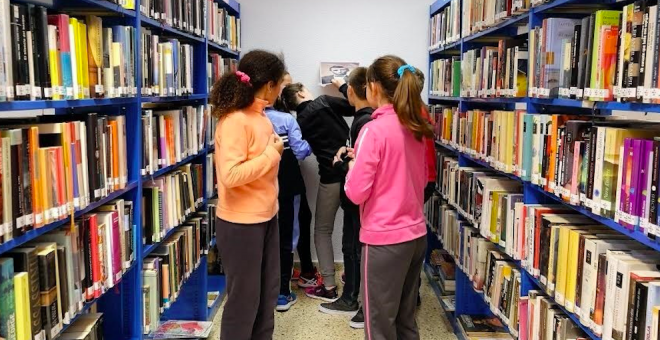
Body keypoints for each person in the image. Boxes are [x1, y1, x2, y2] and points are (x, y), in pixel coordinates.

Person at [344, 56, 433, 340]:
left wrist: (351, 167)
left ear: (373, 87)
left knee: (379, 323)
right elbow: (417, 180)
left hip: (384, 239)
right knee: (406, 319)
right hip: (416, 234)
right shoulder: (415, 126)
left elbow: (355, 192)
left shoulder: (373, 130)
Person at [210, 50, 286, 340]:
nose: (280, 90)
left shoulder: (260, 116)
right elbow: (230, 176)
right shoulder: (234, 121)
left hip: (266, 217)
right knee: (244, 301)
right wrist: (272, 153)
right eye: (279, 84)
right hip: (241, 223)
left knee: (266, 296)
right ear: (268, 84)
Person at [281, 82, 354, 302]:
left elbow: (300, 150)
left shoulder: (298, 122)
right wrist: (343, 87)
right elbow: (354, 106)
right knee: (354, 227)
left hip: (330, 177)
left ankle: (329, 287)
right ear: (301, 93)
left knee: (322, 230)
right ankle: (353, 279)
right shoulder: (325, 102)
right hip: (353, 173)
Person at [317, 68, 372, 329]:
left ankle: (356, 301)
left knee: (354, 249)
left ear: (352, 91)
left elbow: (360, 168)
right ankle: (350, 297)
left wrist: (339, 163)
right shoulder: (363, 116)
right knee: (350, 247)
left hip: (357, 199)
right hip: (354, 199)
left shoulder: (365, 121)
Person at [266, 75, 315, 312]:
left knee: (264, 237)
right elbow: (301, 151)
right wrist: (312, 143)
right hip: (288, 185)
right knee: (288, 236)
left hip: (260, 187)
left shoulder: (249, 119)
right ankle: (283, 293)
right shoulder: (286, 120)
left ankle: (265, 289)